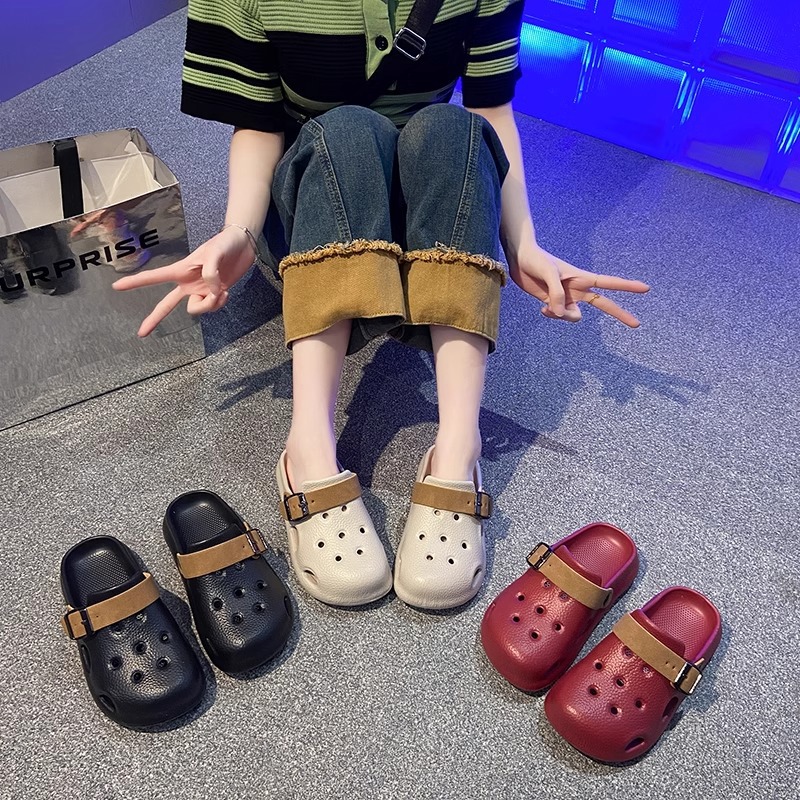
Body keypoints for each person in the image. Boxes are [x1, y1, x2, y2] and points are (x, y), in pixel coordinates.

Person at [114, 0, 649, 610]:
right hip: (316, 207)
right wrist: (238, 231)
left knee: (451, 129)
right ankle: (308, 447)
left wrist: (521, 242)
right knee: (343, 129)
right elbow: (257, 123)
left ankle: (458, 450)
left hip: (434, 205)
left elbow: (489, 110)